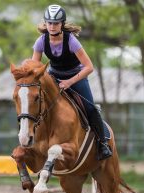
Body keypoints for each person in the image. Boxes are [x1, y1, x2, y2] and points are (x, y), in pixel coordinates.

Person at [31, 4, 112, 160]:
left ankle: (102, 145)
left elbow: (89, 67)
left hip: (76, 77)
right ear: (46, 23)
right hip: (54, 76)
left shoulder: (71, 41)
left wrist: (69, 82)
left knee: (91, 108)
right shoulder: (41, 41)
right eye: (49, 23)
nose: (52, 26)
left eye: (55, 23)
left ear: (62, 24)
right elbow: (35, 68)